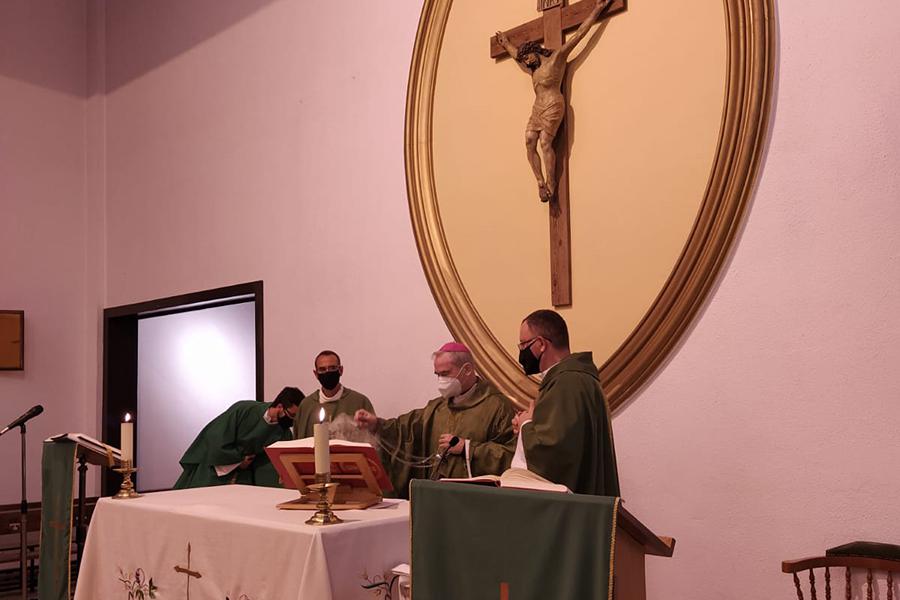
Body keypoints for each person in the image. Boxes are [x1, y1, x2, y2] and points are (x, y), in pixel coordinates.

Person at [355, 342, 516, 498]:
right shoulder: (437, 407)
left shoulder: (497, 406)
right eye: (437, 374)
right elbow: (405, 430)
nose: (441, 379)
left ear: (467, 370)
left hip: (473, 500)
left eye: (445, 373)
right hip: (436, 497)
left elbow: (511, 455)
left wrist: (467, 448)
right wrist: (377, 424)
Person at [495, 0, 612, 202]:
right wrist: (506, 44)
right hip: (537, 108)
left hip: (553, 105)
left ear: (536, 50)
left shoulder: (556, 59)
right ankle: (540, 182)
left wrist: (597, 10)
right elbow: (516, 55)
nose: (526, 62)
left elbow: (579, 35)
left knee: (545, 142)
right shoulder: (533, 70)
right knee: (529, 140)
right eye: (524, 61)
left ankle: (551, 183)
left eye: (528, 58)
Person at [512, 309, 620, 495]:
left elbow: (554, 451)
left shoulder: (567, 382)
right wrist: (529, 426)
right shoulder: (574, 378)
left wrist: (526, 425)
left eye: (523, 344)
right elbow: (567, 437)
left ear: (540, 344)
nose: (521, 351)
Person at [173, 387, 303, 489]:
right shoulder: (244, 410)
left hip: (245, 477)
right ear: (280, 406)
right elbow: (216, 437)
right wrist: (238, 459)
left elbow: (274, 464)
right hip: (215, 470)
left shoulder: (283, 432)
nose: (292, 421)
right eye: (291, 415)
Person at [293, 350, 375, 438]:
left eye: (332, 368)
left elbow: (373, 439)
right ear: (316, 374)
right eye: (322, 369)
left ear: (341, 370)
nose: (327, 372)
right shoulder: (306, 406)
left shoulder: (360, 402)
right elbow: (297, 442)